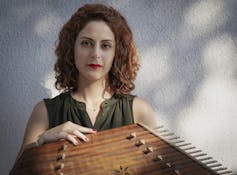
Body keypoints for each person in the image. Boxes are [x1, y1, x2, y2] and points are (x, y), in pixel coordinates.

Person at [17, 3, 158, 159]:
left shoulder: (139, 110)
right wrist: (40, 143)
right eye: (86, 43)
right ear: (72, 48)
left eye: (105, 45)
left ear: (117, 54)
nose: (95, 54)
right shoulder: (44, 111)